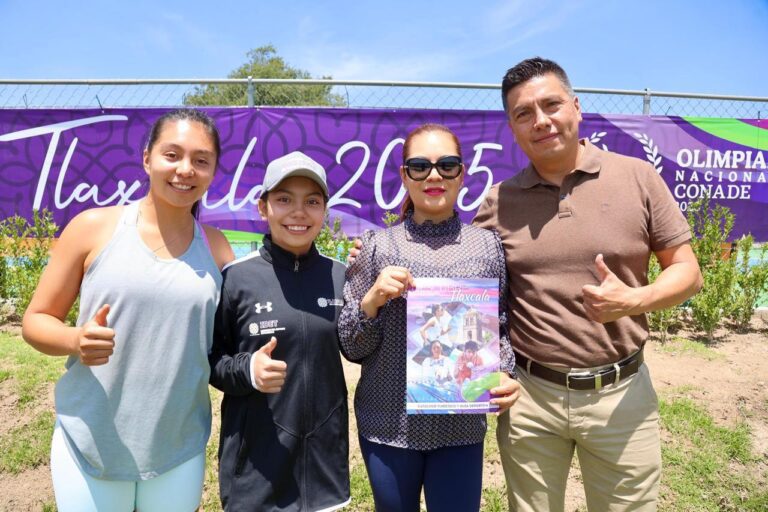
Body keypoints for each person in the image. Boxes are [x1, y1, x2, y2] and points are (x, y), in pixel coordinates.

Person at [473, 57, 703, 511]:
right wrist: (380, 254)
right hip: (530, 402)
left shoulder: (637, 177)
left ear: (576, 108)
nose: (541, 121)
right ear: (512, 128)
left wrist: (635, 300)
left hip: (621, 396)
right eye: (524, 113)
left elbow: (688, 272)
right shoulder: (498, 203)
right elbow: (466, 283)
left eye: (551, 105)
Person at [21, 109, 234, 512]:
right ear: (147, 158)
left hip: (177, 445)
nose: (185, 169)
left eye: (201, 160)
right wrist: (74, 339)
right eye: (172, 155)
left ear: (212, 171)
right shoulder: (93, 228)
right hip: (90, 441)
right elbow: (35, 321)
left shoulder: (218, 248)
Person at [338, 123, 520, 512]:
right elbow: (352, 347)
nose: (434, 175)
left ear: (462, 174)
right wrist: (372, 301)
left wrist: (504, 372)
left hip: (460, 424)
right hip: (387, 424)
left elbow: (500, 326)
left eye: (447, 165)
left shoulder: (486, 246)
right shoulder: (376, 247)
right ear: (405, 175)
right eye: (419, 166)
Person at [208, 151, 350, 512]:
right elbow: (212, 360)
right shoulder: (236, 278)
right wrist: (248, 371)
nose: (299, 212)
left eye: (312, 201)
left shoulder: (341, 276)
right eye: (284, 199)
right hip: (256, 473)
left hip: (323, 470)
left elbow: (358, 345)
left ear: (325, 210)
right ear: (263, 207)